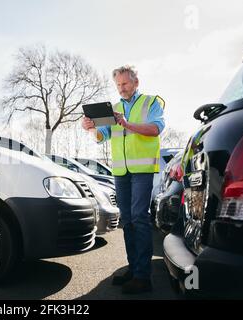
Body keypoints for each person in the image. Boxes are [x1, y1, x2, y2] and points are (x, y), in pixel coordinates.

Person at [82, 65, 165, 294]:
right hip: (120, 172)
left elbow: (155, 129)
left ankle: (143, 276)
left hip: (142, 169)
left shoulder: (151, 102)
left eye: (125, 83)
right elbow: (103, 136)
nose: (121, 88)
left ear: (136, 82)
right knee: (127, 220)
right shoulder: (114, 108)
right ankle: (134, 268)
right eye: (118, 85)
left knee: (139, 217)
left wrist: (127, 123)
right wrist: (90, 128)